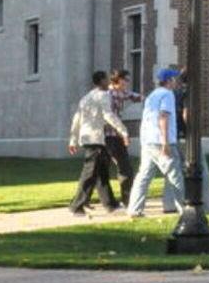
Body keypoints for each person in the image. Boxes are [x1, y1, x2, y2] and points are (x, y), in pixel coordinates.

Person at [68, 70, 129, 216]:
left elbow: (77, 118)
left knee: (101, 173)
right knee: (89, 174)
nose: (109, 81)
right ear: (101, 81)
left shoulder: (86, 97)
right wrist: (123, 131)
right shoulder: (103, 96)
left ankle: (110, 205)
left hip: (88, 138)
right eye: (106, 79)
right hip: (96, 139)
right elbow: (108, 115)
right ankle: (77, 206)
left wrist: (73, 139)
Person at [126, 68, 186, 217]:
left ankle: (134, 209)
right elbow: (163, 117)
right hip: (161, 141)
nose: (176, 81)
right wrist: (165, 142)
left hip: (148, 141)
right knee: (175, 175)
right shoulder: (167, 94)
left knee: (144, 176)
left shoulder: (152, 95)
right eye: (174, 78)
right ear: (169, 81)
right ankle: (185, 210)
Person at [162, 68, 209, 213]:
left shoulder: (174, 94)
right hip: (188, 137)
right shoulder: (190, 94)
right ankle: (207, 203)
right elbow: (187, 114)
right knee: (201, 169)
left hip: (175, 137)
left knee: (174, 170)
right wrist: (193, 131)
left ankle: (169, 204)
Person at [105, 69, 141, 207]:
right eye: (126, 80)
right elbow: (109, 117)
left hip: (116, 136)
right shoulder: (109, 94)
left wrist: (146, 98)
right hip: (109, 136)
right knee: (124, 167)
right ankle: (125, 200)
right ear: (118, 80)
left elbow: (133, 96)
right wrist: (124, 133)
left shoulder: (120, 93)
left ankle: (125, 199)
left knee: (120, 168)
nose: (127, 83)